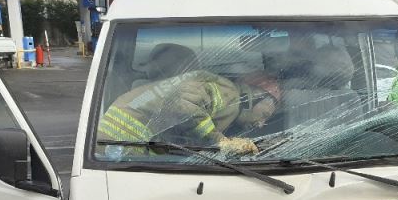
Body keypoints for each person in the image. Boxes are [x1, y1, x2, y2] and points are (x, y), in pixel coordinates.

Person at [96, 69, 281, 157]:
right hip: (123, 138)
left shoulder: (226, 95)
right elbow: (186, 105)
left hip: (124, 136)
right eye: (265, 115)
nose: (261, 124)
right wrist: (221, 142)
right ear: (255, 96)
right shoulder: (229, 93)